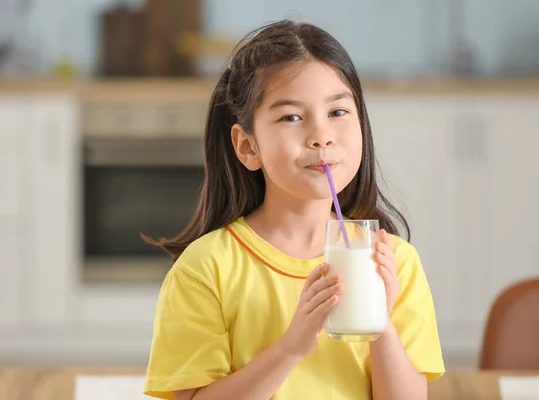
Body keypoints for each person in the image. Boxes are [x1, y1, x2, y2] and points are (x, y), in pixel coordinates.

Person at [142, 19, 444, 400]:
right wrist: (292, 347)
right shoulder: (205, 268)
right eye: (291, 117)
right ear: (248, 147)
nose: (321, 135)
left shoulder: (393, 263)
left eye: (337, 112)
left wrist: (378, 323)